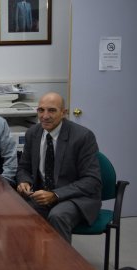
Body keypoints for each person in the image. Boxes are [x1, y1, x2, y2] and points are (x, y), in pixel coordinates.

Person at [16, 92, 102, 243]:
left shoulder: (83, 136)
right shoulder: (32, 133)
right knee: (21, 212)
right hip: (42, 195)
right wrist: (24, 181)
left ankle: (61, 265)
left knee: (58, 215)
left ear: (64, 113)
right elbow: (24, 167)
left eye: (52, 110)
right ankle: (33, 260)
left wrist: (55, 195)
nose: (45, 116)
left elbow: (92, 180)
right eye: (41, 110)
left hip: (75, 198)